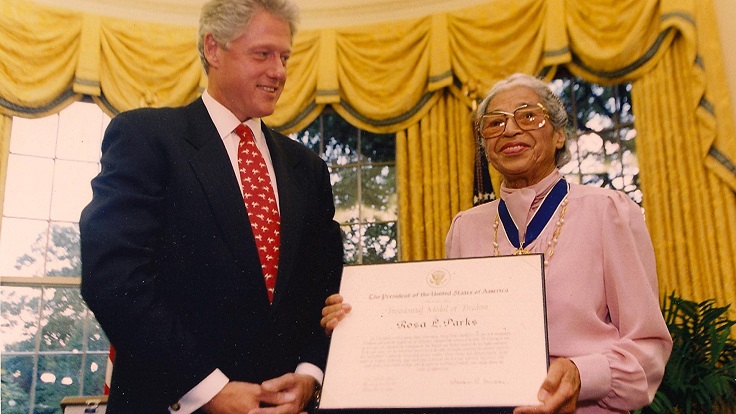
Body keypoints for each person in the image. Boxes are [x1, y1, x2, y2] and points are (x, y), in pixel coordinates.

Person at [321, 73, 672, 413]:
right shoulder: (465, 228)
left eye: (528, 116)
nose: (510, 129)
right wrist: (361, 324)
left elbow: (648, 349)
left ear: (559, 134)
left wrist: (583, 375)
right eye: (494, 123)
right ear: (485, 145)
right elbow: (445, 335)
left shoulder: (608, 212)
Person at [80, 0, 344, 413]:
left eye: (285, 57)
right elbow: (115, 279)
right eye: (263, 54)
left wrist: (310, 375)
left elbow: (327, 288)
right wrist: (209, 391)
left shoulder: (307, 169)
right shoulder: (146, 138)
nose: (279, 71)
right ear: (213, 49)